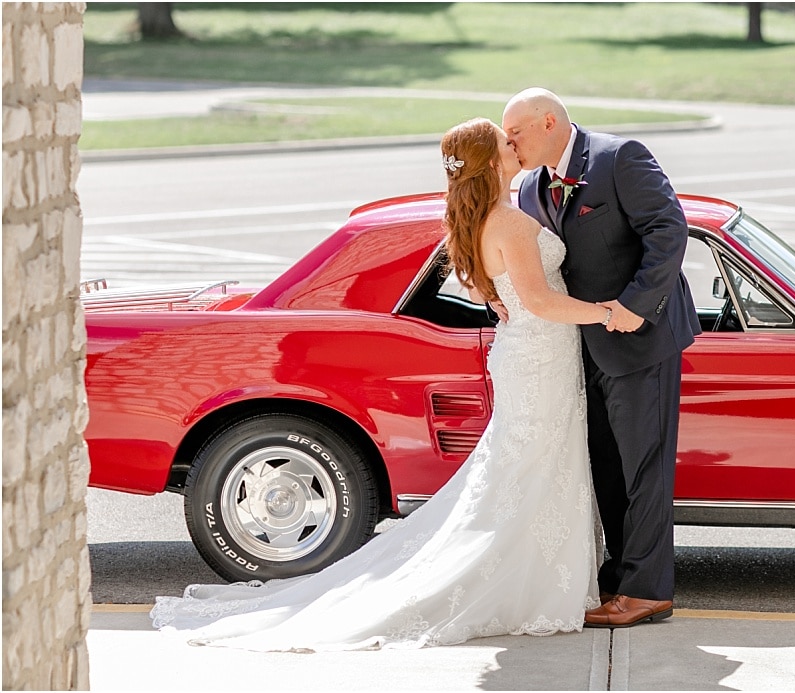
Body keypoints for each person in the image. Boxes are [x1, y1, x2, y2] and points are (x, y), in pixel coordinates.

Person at [148, 118, 615, 651]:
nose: (515, 146)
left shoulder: (482, 220)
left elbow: (497, 288)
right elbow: (540, 302)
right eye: (506, 143)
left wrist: (500, 300)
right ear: (491, 163)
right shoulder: (506, 222)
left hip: (530, 354)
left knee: (530, 466)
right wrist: (608, 313)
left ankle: (543, 578)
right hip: (538, 355)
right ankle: (533, 585)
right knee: (532, 466)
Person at [501, 88, 700, 628]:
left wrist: (637, 306)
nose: (509, 142)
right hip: (578, 349)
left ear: (547, 122)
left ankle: (648, 590)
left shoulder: (619, 158)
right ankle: (617, 576)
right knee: (606, 471)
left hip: (640, 341)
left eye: (515, 131)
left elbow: (668, 230)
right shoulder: (529, 188)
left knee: (644, 471)